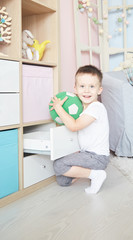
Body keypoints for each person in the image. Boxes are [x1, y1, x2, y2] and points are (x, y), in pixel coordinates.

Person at [49, 65, 110, 194]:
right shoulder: (82, 110)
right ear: (75, 89)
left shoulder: (96, 107)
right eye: (82, 86)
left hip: (97, 158)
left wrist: (58, 108)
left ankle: (96, 174)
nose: (86, 91)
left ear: (99, 90)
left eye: (92, 87)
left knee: (58, 165)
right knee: (62, 181)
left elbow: (74, 126)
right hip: (86, 154)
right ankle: (88, 173)